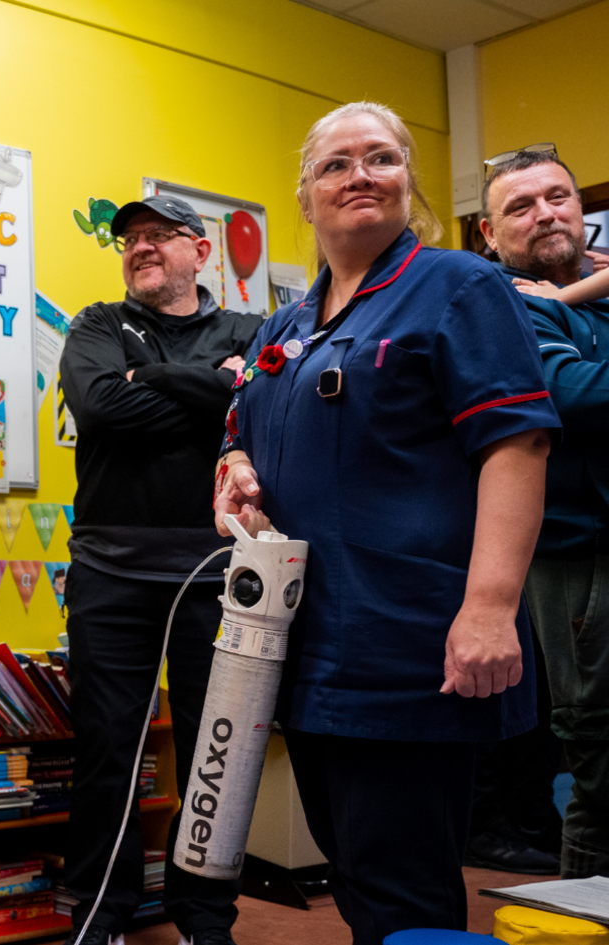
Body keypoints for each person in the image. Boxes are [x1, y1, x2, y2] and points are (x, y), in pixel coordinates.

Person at [216, 102, 556, 944]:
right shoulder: (287, 325)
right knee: (356, 876)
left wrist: (489, 607)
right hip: (308, 650)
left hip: (406, 644)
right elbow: (241, 434)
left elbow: (516, 446)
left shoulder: (459, 286)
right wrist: (233, 473)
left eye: (380, 158)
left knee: (404, 888)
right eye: (335, 164)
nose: (358, 175)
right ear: (305, 197)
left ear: (409, 180)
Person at [55, 194, 263, 945]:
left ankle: (205, 917)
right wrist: (214, 385)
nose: (140, 247)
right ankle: (101, 915)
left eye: (159, 235)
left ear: (201, 252)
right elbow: (103, 408)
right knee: (107, 748)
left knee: (220, 754)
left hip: (219, 571)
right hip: (111, 573)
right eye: (130, 239)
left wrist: (157, 377)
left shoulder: (249, 329)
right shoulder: (98, 326)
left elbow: (260, 405)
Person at [482, 146, 609, 879]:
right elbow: (578, 397)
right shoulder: (495, 308)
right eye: (520, 206)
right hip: (576, 557)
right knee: (598, 756)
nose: (546, 213)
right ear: (490, 236)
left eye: (557, 196)